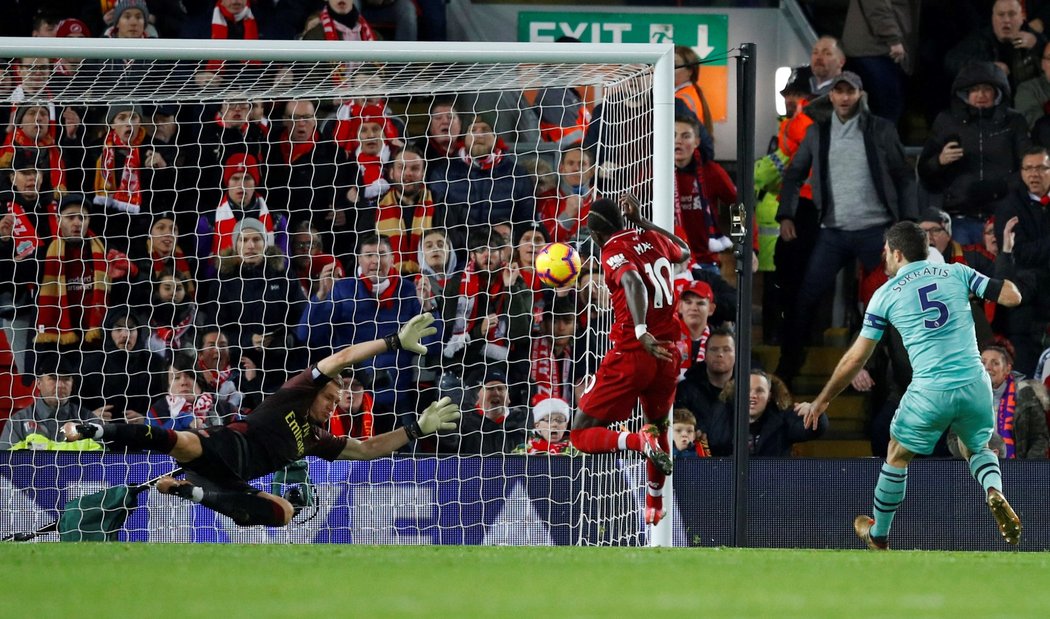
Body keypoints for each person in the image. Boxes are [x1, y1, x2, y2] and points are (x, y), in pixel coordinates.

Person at [63, 314, 458, 528]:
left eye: (337, 403)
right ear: (314, 392)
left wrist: (416, 429)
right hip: (224, 447)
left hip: (227, 484)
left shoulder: (314, 438)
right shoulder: (291, 396)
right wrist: (391, 343)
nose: (333, 409)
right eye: (330, 399)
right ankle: (98, 429)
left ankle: (190, 493)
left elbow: (366, 448)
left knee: (283, 514)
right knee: (181, 441)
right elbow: (340, 359)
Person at [795, 221, 1024, 549]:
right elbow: (1011, 296)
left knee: (897, 454)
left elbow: (855, 360)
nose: (884, 258)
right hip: (975, 383)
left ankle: (878, 533)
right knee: (976, 447)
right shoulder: (958, 273)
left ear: (897, 253)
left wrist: (822, 400)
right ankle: (994, 491)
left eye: (886, 252)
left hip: (930, 390)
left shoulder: (885, 294)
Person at [776, 71, 917, 385]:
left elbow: (904, 175)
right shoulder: (818, 132)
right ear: (830, 96)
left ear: (860, 94)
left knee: (893, 303)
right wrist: (786, 214)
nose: (843, 97)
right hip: (833, 232)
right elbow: (794, 173)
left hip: (876, 231)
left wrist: (908, 223)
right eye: (838, 91)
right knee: (805, 298)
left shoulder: (880, 128)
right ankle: (787, 369)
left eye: (849, 92)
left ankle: (899, 377)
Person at [568, 194, 690, 526]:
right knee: (660, 422)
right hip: (668, 355)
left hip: (634, 352)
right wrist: (645, 223)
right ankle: (654, 502)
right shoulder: (650, 238)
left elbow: (633, 281)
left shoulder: (612, 252)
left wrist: (640, 330)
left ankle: (637, 441)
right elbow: (685, 252)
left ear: (594, 235)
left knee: (580, 434)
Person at [917, 62, 1029, 246]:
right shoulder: (946, 121)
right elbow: (925, 173)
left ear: (998, 93)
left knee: (1003, 273)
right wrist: (940, 160)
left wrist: (999, 189)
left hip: (1004, 216)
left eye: (987, 89)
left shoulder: (1014, 122)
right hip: (960, 220)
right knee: (964, 273)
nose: (981, 95)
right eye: (974, 89)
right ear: (964, 93)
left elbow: (1027, 166)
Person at [0, 354, 106, 450]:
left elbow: (103, 465)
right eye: (53, 378)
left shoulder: (89, 419)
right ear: (38, 383)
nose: (60, 385)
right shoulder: (17, 422)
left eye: (66, 379)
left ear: (72, 383)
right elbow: (6, 466)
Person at [714, 370, 828, 456]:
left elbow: (814, 429)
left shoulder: (783, 420)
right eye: (747, 389)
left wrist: (814, 413)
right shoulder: (722, 417)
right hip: (731, 485)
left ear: (769, 396)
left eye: (760, 391)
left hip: (773, 485)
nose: (752, 395)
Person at [979, 345, 1049, 458]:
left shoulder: (1026, 394)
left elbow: (1040, 438)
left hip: (1018, 466)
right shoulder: (968, 396)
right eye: (983, 363)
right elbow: (954, 437)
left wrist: (1026, 468)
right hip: (977, 465)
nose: (987, 367)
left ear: (1007, 369)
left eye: (995, 363)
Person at [439, 365, 527, 455]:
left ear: (508, 398)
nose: (496, 392)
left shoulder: (522, 422)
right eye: (490, 388)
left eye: (500, 389)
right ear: (479, 397)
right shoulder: (465, 420)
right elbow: (447, 445)